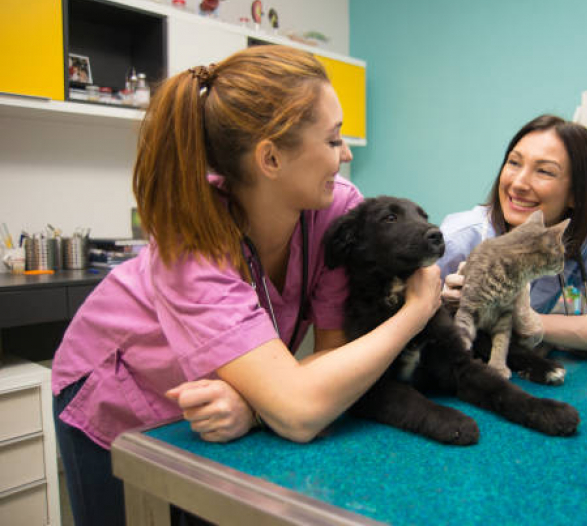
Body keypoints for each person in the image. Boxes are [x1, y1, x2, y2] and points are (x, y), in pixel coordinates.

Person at [51, 45, 442, 526]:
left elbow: (335, 357)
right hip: (122, 392)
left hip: (229, 402)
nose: (345, 154)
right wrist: (416, 311)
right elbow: (299, 410)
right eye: (334, 138)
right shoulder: (190, 243)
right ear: (271, 158)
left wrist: (256, 405)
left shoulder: (337, 213)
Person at [438, 114, 587, 353]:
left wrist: (525, 320)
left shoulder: (581, 231)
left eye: (544, 171)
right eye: (514, 163)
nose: (519, 183)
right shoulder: (459, 238)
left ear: (576, 193)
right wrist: (441, 305)